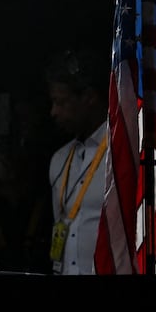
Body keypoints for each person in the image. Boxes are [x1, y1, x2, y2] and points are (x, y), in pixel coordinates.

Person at [43, 48, 109, 275]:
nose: (53, 112)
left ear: (89, 97)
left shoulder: (122, 154)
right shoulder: (59, 159)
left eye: (61, 102)